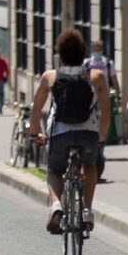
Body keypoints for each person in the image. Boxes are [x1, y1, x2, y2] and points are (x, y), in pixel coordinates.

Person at [27, 29, 111, 234]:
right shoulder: (96, 76)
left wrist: (34, 134)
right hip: (88, 133)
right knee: (89, 165)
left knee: (55, 170)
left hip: (59, 133)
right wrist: (100, 136)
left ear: (60, 56)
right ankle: (86, 211)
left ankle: (56, 205)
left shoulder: (50, 76)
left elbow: (36, 110)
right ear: (83, 54)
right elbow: (106, 111)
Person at [83, 40, 120, 179]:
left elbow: (114, 80)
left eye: (99, 48)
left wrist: (118, 96)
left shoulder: (108, 64)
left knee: (102, 125)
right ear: (91, 49)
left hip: (103, 98)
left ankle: (99, 149)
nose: (96, 51)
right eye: (94, 48)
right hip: (89, 99)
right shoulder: (86, 63)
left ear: (102, 49)